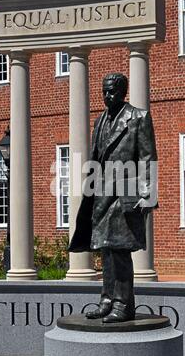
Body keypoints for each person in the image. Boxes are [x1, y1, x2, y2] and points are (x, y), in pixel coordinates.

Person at [68, 73, 158, 323]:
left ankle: (123, 304)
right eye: (104, 92)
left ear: (123, 92)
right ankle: (107, 300)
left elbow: (148, 158)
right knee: (106, 249)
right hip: (101, 194)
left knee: (119, 251)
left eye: (112, 92)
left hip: (125, 194)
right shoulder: (100, 121)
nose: (107, 96)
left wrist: (147, 196)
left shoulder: (139, 117)